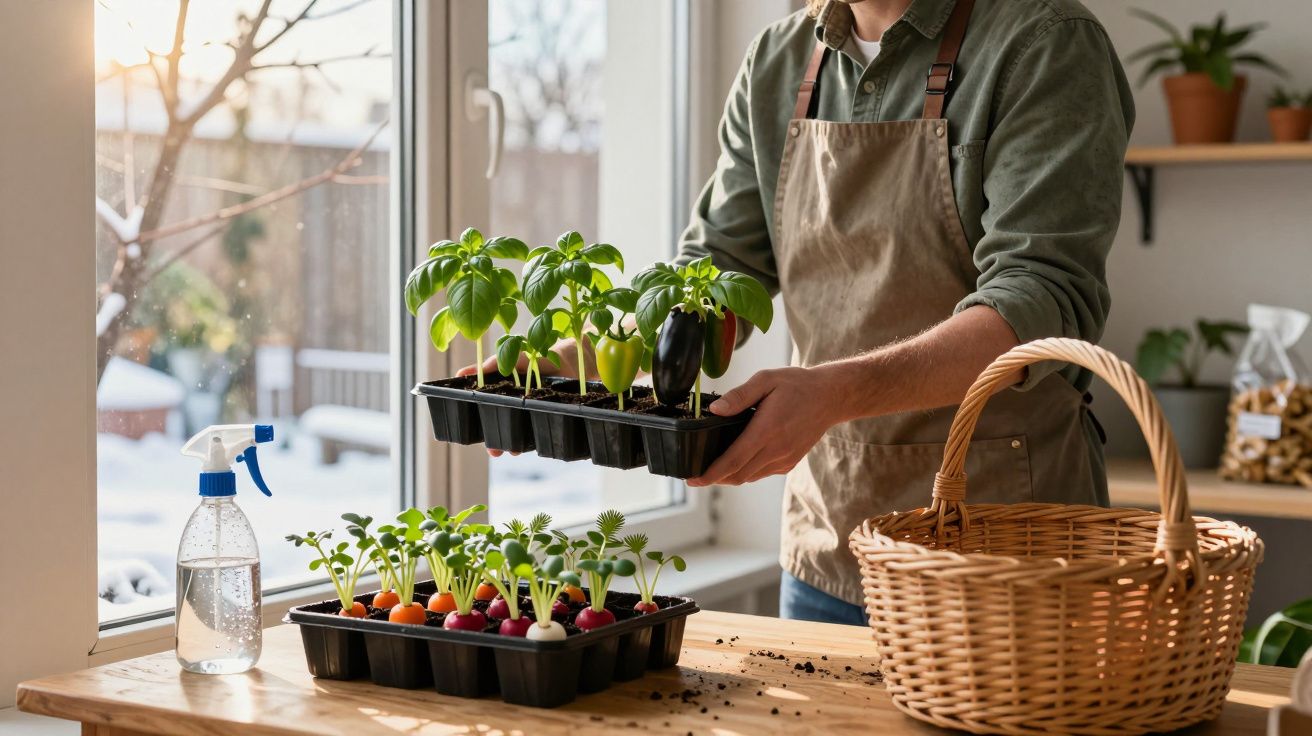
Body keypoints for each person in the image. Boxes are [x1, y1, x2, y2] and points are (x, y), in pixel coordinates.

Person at [466, 0, 1134, 625]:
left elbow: (1038, 302)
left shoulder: (1043, 44)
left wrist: (832, 393)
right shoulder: (780, 60)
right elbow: (719, 274)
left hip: (1003, 558)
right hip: (829, 551)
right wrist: (586, 357)